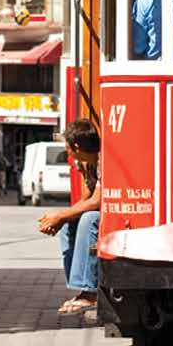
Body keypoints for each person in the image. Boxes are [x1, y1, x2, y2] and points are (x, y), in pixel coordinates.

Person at [38, 119, 103, 314]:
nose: (67, 153)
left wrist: (59, 216)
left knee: (88, 219)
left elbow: (95, 203)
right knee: (70, 225)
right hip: (99, 208)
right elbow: (85, 199)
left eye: (67, 148)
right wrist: (62, 219)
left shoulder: (103, 161)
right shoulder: (87, 164)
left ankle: (90, 292)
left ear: (76, 146)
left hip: (118, 213)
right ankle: (81, 287)